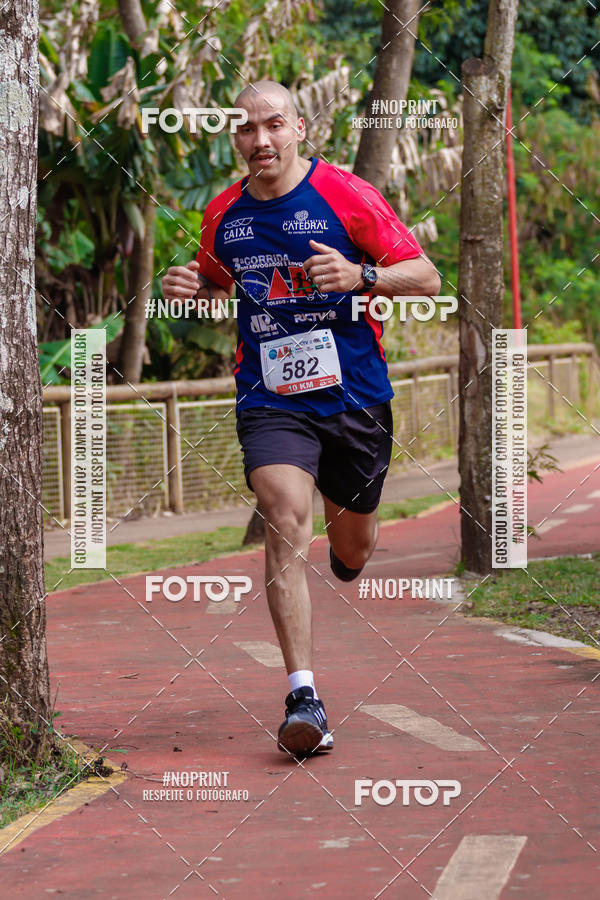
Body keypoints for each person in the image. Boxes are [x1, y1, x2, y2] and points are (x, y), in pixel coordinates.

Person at [162, 80, 441, 756]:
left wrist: (362, 277)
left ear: (300, 129)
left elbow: (427, 276)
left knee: (354, 547)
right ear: (236, 138)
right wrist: (192, 284)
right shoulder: (223, 213)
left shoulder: (346, 196)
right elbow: (217, 274)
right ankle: (303, 696)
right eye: (248, 128)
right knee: (285, 515)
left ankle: (348, 559)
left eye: (274, 125)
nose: (261, 139)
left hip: (355, 398)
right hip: (270, 397)